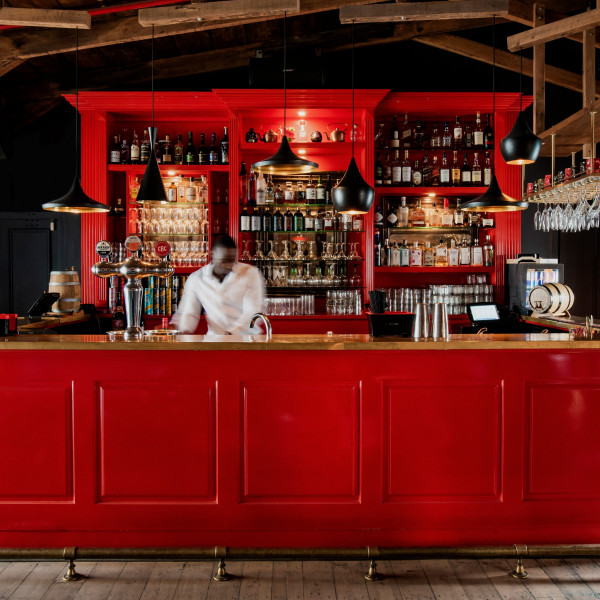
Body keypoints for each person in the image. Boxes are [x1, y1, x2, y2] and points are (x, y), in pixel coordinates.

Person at [171, 235, 266, 335]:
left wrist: (231, 332)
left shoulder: (250, 273)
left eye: (232, 261)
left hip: (247, 338)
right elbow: (189, 312)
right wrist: (180, 329)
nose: (229, 265)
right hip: (215, 339)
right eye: (224, 260)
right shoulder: (196, 279)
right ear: (212, 255)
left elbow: (253, 310)